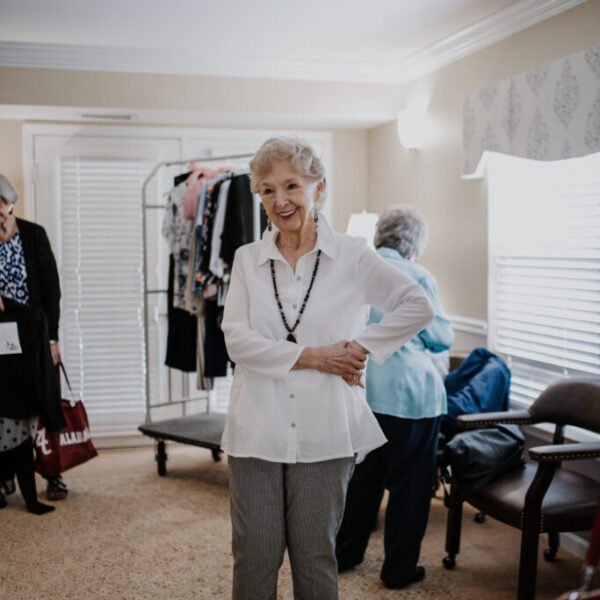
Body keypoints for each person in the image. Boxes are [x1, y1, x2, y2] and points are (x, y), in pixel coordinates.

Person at [221, 138, 435, 600]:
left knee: (316, 556)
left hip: (327, 429)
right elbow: (236, 339)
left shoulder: (354, 256)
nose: (280, 201)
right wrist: (315, 357)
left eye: (292, 186)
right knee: (254, 554)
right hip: (256, 429)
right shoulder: (246, 260)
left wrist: (360, 348)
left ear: (318, 188)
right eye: (267, 190)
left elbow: (416, 305)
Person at [335, 204, 454, 589]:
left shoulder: (357, 269)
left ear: (380, 236)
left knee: (363, 478)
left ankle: (346, 552)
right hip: (412, 398)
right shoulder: (418, 274)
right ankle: (398, 570)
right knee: (410, 486)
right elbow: (440, 338)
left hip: (364, 390)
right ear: (414, 245)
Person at [0, 174, 68, 508]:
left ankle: (53, 471)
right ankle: (6, 475)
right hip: (1, 336)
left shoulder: (33, 235)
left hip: (35, 334)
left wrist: (53, 337)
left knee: (43, 400)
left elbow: (52, 289)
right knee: (5, 405)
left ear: (10, 204)